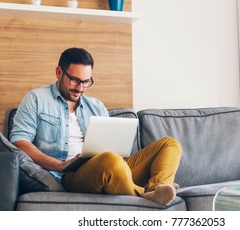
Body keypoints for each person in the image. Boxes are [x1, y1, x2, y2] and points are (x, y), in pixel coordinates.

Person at [10, 47, 182, 205]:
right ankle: (145, 196)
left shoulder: (96, 106)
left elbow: (112, 150)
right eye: (75, 80)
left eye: (86, 81)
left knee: (170, 144)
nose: (80, 88)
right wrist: (58, 165)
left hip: (112, 167)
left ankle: (156, 190)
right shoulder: (36, 99)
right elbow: (19, 141)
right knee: (110, 160)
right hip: (69, 176)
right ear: (58, 72)